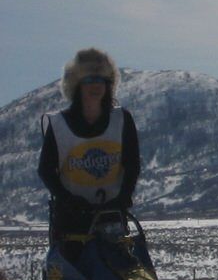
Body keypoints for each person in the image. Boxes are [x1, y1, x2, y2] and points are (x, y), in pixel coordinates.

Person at [37, 47, 142, 256]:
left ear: (109, 84)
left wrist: (123, 197)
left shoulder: (122, 120)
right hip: (71, 226)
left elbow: (132, 164)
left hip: (112, 220)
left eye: (101, 79)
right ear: (76, 85)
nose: (95, 85)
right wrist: (67, 200)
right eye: (88, 79)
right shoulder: (58, 125)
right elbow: (46, 170)